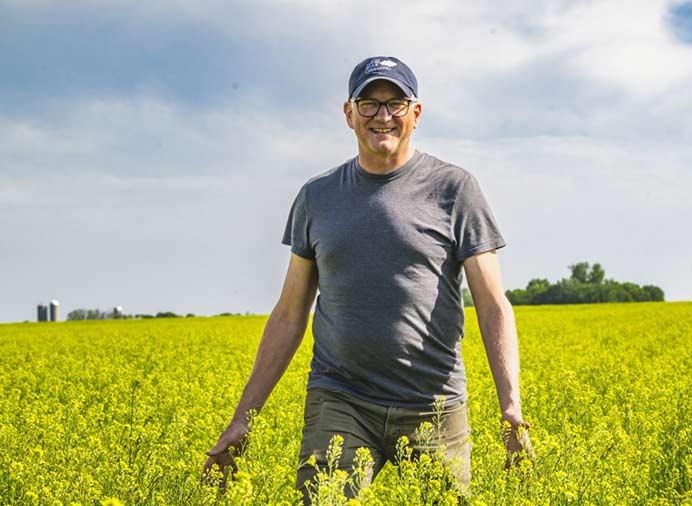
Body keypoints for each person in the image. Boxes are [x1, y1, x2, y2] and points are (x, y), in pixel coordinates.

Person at [203, 56, 532, 502]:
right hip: (341, 399)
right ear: (349, 114)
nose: (382, 116)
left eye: (395, 103)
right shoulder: (316, 197)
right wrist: (244, 418)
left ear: (416, 114)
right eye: (369, 104)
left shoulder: (456, 189)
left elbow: (493, 304)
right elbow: (288, 313)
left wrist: (510, 407)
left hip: (433, 404)